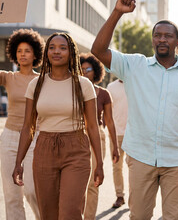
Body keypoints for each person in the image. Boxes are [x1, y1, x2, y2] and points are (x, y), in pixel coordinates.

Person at [91, 0, 178, 219]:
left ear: (177, 42)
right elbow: (98, 49)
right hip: (141, 156)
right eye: (157, 35)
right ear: (152, 40)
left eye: (168, 36)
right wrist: (117, 13)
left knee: (174, 217)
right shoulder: (134, 65)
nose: (162, 39)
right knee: (139, 216)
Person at [12, 32, 104, 220]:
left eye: (63, 48)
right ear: (46, 53)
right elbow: (28, 126)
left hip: (76, 149)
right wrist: (18, 162)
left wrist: (99, 163)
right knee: (48, 213)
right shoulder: (36, 84)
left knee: (70, 212)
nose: (57, 51)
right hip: (44, 149)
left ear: (71, 53)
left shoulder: (83, 85)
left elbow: (92, 127)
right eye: (52, 47)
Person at [0, 28, 43, 220]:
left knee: (33, 191)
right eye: (19, 51)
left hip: (35, 137)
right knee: (11, 196)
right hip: (9, 137)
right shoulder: (8, 77)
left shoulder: (43, 80)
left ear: (35, 54)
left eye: (27, 50)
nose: (22, 54)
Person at [80, 53, 119, 219]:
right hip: (75, 137)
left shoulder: (103, 94)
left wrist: (115, 147)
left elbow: (109, 122)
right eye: (80, 70)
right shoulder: (71, 90)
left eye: (88, 69)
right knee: (77, 183)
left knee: (93, 183)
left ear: (95, 71)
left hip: (97, 137)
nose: (84, 73)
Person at [106, 78, 128, 208]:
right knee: (117, 167)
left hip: (134, 134)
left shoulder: (135, 83)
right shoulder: (111, 87)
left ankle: (135, 196)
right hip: (116, 133)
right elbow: (108, 110)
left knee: (135, 168)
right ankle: (119, 196)